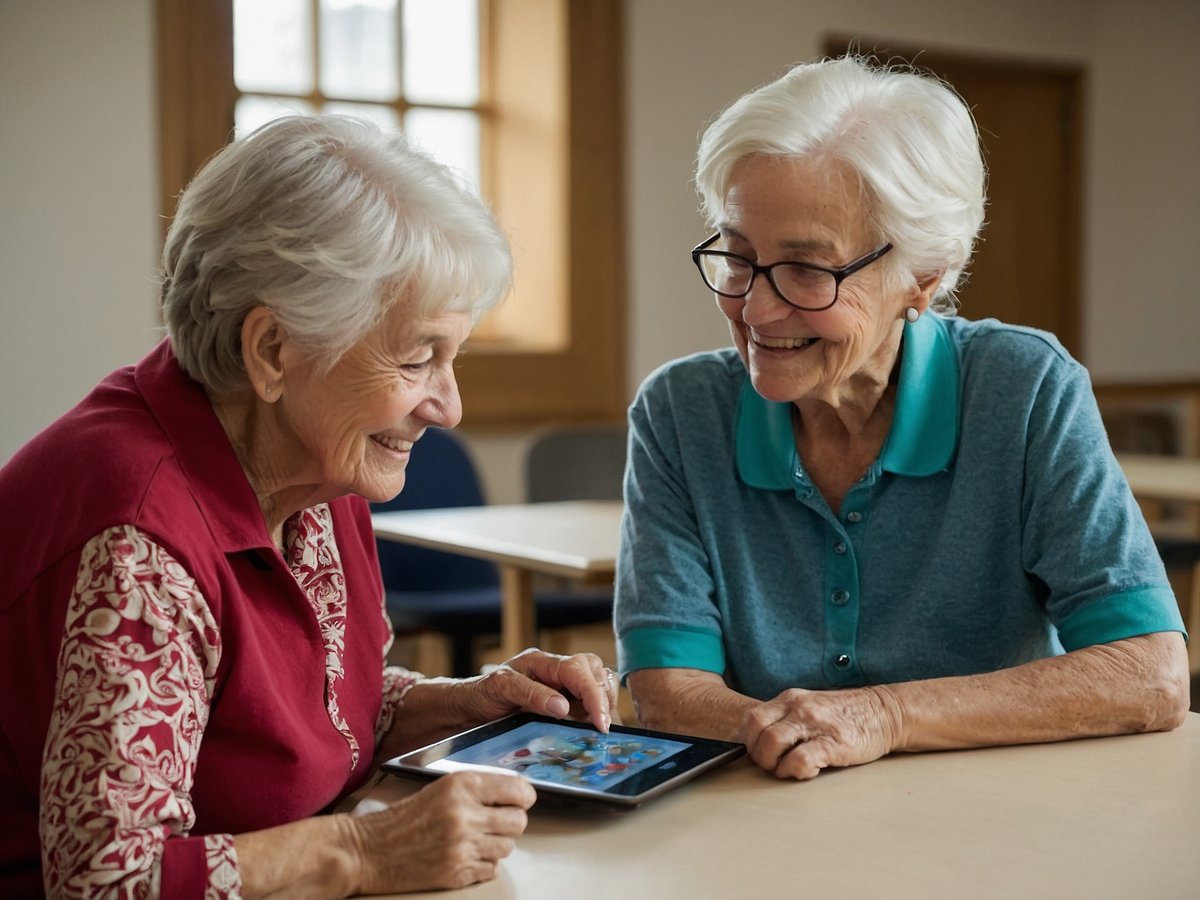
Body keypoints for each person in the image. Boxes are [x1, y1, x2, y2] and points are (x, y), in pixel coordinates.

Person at [0, 115, 619, 898]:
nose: (449, 407)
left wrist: (478, 701)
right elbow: (106, 881)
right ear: (272, 351)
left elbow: (324, 714)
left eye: (452, 358)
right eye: (416, 357)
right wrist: (362, 852)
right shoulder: (138, 542)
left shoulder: (310, 458)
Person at [615, 55, 1190, 781]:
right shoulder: (679, 410)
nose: (755, 309)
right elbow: (668, 691)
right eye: (738, 255)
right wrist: (808, 739)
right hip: (773, 811)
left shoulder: (1023, 388)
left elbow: (1148, 674)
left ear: (922, 277)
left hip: (999, 811)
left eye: (807, 270)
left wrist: (883, 716)